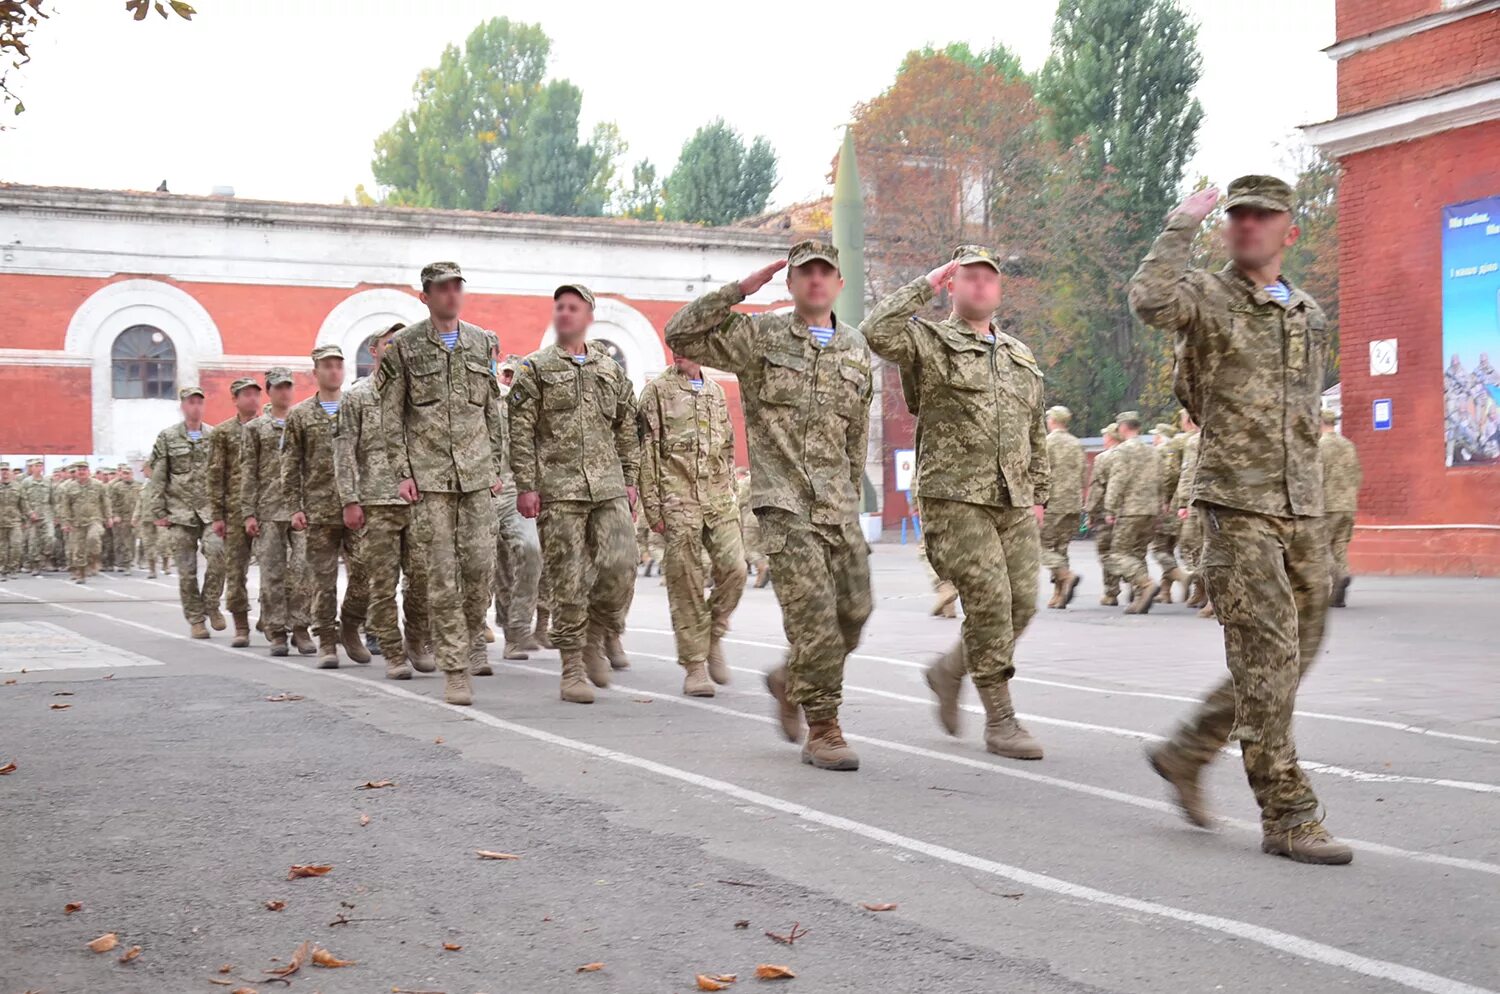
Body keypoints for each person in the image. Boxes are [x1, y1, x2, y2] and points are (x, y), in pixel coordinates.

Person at [1131, 175, 1349, 864]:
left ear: (1290, 229)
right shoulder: (1203, 293)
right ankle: (1288, 814)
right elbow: (1150, 300)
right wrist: (1181, 222)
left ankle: (1187, 749)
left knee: (1295, 653)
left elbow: (1304, 411)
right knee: (1267, 663)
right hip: (1236, 503)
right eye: (1238, 216)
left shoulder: (1309, 313)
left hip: (1303, 506)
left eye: (1264, 217)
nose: (1248, 226)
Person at [667, 240, 873, 770]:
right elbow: (681, 334)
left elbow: (855, 435)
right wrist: (741, 289)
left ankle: (791, 680)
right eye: (805, 272)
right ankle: (824, 727)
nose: (816, 280)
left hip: (838, 504)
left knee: (855, 612)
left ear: (839, 283)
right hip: (784, 505)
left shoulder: (855, 349)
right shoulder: (761, 337)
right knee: (815, 622)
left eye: (826, 271)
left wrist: (853, 496)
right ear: (791, 282)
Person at [863, 245, 1048, 760]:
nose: (981, 285)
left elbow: (1034, 429)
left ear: (999, 289)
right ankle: (1001, 719)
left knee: (1023, 606)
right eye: (969, 277)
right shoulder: (930, 341)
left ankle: (948, 672)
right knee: (989, 602)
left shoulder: (1018, 354)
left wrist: (1040, 495)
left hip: (1013, 500)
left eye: (989, 278)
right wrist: (926, 280)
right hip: (955, 496)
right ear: (953, 285)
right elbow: (877, 329)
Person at [377, 262, 505, 707]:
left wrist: (498, 468)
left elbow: (492, 408)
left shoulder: (482, 342)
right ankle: (455, 668)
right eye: (441, 288)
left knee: (479, 567)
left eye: (456, 287)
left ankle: (474, 637)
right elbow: (391, 416)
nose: (451, 294)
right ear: (425, 296)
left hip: (476, 475)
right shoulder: (403, 348)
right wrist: (402, 472)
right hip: (429, 479)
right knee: (441, 575)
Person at [509, 283, 639, 703]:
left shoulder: (610, 369)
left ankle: (597, 633)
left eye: (574, 307)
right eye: (560, 307)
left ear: (588, 316)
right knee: (568, 579)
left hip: (607, 486)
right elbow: (520, 430)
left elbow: (627, 426)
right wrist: (526, 485)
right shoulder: (535, 368)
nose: (565, 313)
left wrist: (631, 478)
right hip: (558, 489)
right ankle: (572, 667)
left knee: (621, 565)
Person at [639, 354, 748, 697]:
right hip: (677, 498)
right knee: (685, 582)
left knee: (736, 568)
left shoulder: (715, 391)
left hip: (717, 498)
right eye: (678, 345)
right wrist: (653, 506)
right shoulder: (656, 392)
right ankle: (695, 666)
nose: (685, 351)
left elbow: (728, 446)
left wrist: (730, 488)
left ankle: (714, 631)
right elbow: (646, 452)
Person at [336, 323, 434, 680]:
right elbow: (344, 449)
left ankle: (416, 641)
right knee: (381, 580)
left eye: (401, 343)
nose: (395, 349)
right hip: (375, 499)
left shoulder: (418, 394)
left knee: (422, 577)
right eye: (388, 344)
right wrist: (349, 498)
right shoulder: (358, 397)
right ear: (374, 351)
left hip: (417, 498)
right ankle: (392, 652)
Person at [285, 344, 371, 669]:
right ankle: (327, 642)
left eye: (338, 365)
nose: (334, 371)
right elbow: (290, 464)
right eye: (327, 366)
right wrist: (294, 506)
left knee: (364, 572)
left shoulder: (358, 406)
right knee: (322, 580)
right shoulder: (300, 415)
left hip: (358, 507)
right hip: (318, 509)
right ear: (316, 373)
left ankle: (350, 626)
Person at [242, 367, 314, 656]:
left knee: (302, 570)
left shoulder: (304, 422)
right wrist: (248, 512)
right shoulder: (255, 429)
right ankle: (277, 633)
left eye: (288, 386)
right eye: (278, 387)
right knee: (273, 573)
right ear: (269, 391)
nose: (284, 391)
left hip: (301, 509)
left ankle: (300, 627)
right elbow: (248, 471)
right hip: (269, 509)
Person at [150, 386, 226, 638]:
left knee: (218, 554)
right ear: (183, 406)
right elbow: (159, 476)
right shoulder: (168, 437)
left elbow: (223, 475)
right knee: (186, 570)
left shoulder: (215, 436)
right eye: (190, 402)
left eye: (199, 402)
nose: (195, 406)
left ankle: (211, 603)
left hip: (209, 511)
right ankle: (196, 619)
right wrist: (158, 509)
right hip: (178, 512)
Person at [489, 350, 542, 661]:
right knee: (489, 568)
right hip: (476, 492)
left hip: (511, 492)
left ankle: (518, 625)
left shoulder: (515, 402)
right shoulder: (464, 399)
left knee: (529, 550)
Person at [209, 377, 263, 647]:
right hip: (233, 512)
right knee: (236, 571)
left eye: (256, 394)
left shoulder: (269, 426)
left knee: (278, 568)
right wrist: (217, 514)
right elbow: (216, 473)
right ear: (235, 399)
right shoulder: (223, 432)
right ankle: (241, 626)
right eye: (246, 394)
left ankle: (272, 616)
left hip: (266, 508)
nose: (253, 399)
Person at [1103, 412, 1161, 614]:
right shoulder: (1152, 451)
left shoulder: (1122, 451)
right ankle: (1140, 599)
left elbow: (1117, 481)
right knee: (1137, 553)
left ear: (1122, 428)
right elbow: (1159, 480)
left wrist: (1110, 507)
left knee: (1118, 555)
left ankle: (1145, 584)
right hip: (1151, 509)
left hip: (1130, 510)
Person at [1041, 405, 1084, 609]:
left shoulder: (1047, 443)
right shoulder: (1076, 444)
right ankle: (1059, 594)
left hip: (1053, 503)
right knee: (1061, 548)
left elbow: (1040, 472)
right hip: (1073, 503)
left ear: (1052, 421)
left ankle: (1066, 576)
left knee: (1040, 547)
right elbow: (1083, 473)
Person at [1318, 409, 1362, 607]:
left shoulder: (1320, 446)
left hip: (1328, 505)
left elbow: (1316, 477)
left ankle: (1339, 575)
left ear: (1319, 422)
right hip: (1348, 504)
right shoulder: (1349, 445)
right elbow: (1357, 475)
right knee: (1340, 546)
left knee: (1320, 546)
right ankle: (1338, 596)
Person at [1172, 413, 1211, 615]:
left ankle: (1211, 595)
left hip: (1198, 501)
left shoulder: (1194, 441)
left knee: (1192, 545)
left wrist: (1182, 503)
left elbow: (1188, 474)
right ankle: (1201, 589)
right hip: (1215, 500)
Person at [1149, 421, 1190, 602]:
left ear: (1160, 436)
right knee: (1168, 549)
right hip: (1178, 504)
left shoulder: (1164, 451)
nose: (1153, 439)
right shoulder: (1179, 449)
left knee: (1159, 549)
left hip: (1169, 506)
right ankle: (1165, 591)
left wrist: (1164, 500)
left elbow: (1168, 476)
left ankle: (1181, 576)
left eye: (1155, 435)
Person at [59, 462, 111, 583]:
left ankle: (94, 558)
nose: (82, 472)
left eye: (84, 469)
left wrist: (109, 517)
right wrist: (65, 522)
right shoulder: (69, 487)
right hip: (77, 522)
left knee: (93, 538)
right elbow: (65, 506)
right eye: (79, 470)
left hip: (95, 519)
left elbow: (106, 502)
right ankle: (81, 574)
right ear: (76, 472)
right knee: (79, 550)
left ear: (88, 471)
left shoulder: (98, 485)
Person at [1088, 424, 1122, 605]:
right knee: (1129, 552)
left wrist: (1091, 513)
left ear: (1110, 437)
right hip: (1131, 512)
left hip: (1107, 513)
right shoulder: (1133, 455)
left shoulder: (1104, 458)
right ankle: (1139, 589)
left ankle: (1111, 592)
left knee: (1106, 552)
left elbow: (1096, 488)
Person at [19, 459, 55, 574]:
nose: (38, 468)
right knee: (33, 541)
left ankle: (46, 557)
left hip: (46, 513)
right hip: (32, 515)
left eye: (40, 466)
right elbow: (23, 500)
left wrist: (56, 515)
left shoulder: (48, 481)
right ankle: (35, 564)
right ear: (31, 468)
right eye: (36, 466)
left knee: (50, 538)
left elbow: (53, 500)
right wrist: (29, 513)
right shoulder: (26, 482)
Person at [107, 464, 141, 575]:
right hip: (122, 518)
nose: (126, 476)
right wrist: (114, 515)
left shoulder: (139, 486)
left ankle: (129, 561)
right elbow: (112, 502)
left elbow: (142, 502)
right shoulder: (117, 487)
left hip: (134, 517)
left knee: (132, 541)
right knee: (122, 541)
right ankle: (123, 563)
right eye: (124, 473)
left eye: (128, 473)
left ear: (132, 474)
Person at [0, 464, 24, 580]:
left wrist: (30, 515)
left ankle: (13, 568)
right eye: (2, 470)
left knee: (17, 544)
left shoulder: (17, 487)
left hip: (15, 520)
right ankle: (2, 570)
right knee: (2, 547)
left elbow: (23, 504)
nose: (4, 473)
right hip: (1, 521)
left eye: (6, 470)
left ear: (10, 472)